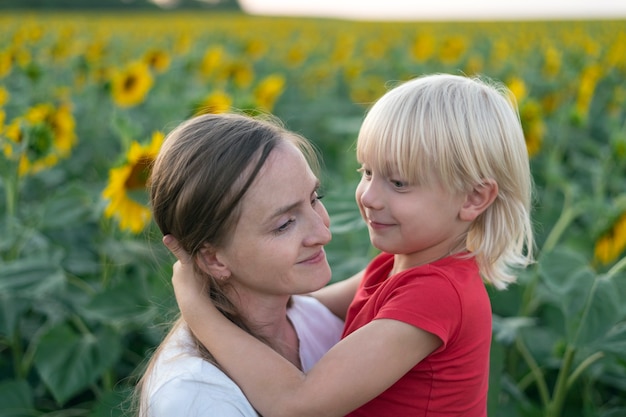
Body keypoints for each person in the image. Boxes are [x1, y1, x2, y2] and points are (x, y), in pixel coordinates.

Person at [167, 73, 535, 417]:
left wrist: (198, 309)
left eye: (399, 183)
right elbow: (302, 309)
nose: (369, 196)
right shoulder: (397, 265)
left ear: (473, 197)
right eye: (367, 172)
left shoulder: (437, 293)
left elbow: (297, 403)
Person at [135, 112, 345, 416]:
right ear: (213, 258)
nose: (323, 233)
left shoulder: (314, 320)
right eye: (285, 224)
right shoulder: (195, 396)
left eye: (315, 198)